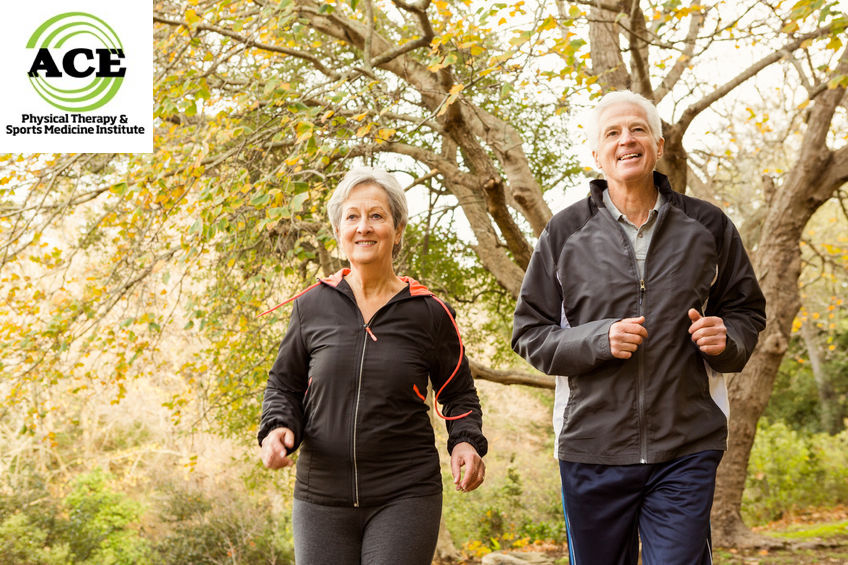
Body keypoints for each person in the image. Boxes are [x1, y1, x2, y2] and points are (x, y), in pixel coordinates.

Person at [511, 90, 766, 565]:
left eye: (637, 129)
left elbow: (747, 311)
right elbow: (529, 332)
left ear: (659, 144)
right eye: (612, 133)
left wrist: (726, 340)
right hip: (592, 447)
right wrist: (596, 340)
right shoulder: (564, 233)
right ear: (595, 154)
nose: (626, 141)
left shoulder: (707, 225)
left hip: (685, 445)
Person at [258, 166, 487, 565]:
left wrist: (465, 440)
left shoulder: (430, 312)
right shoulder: (312, 306)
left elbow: (458, 393)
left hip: (406, 494)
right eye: (352, 216)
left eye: (377, 216)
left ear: (397, 230)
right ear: (338, 231)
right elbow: (283, 386)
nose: (364, 227)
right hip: (321, 496)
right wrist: (277, 428)